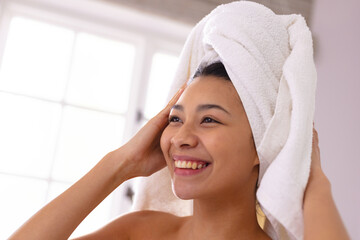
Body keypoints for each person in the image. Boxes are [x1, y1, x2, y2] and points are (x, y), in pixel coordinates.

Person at [9, 62, 349, 240]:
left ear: (262, 145)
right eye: (175, 119)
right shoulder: (140, 232)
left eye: (210, 120)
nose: (181, 137)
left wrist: (313, 181)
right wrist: (120, 164)